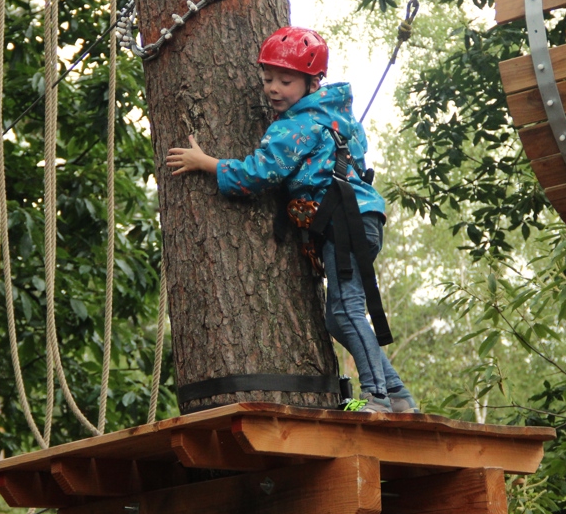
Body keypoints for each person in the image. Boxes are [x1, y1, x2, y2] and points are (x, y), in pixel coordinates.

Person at [166, 26, 417, 414]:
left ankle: (380, 399)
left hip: (346, 220)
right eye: (268, 79)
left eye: (286, 80)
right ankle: (397, 394)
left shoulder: (295, 126)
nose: (273, 88)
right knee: (337, 317)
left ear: (313, 80)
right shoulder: (337, 116)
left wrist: (206, 163)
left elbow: (258, 174)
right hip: (357, 218)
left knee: (347, 311)